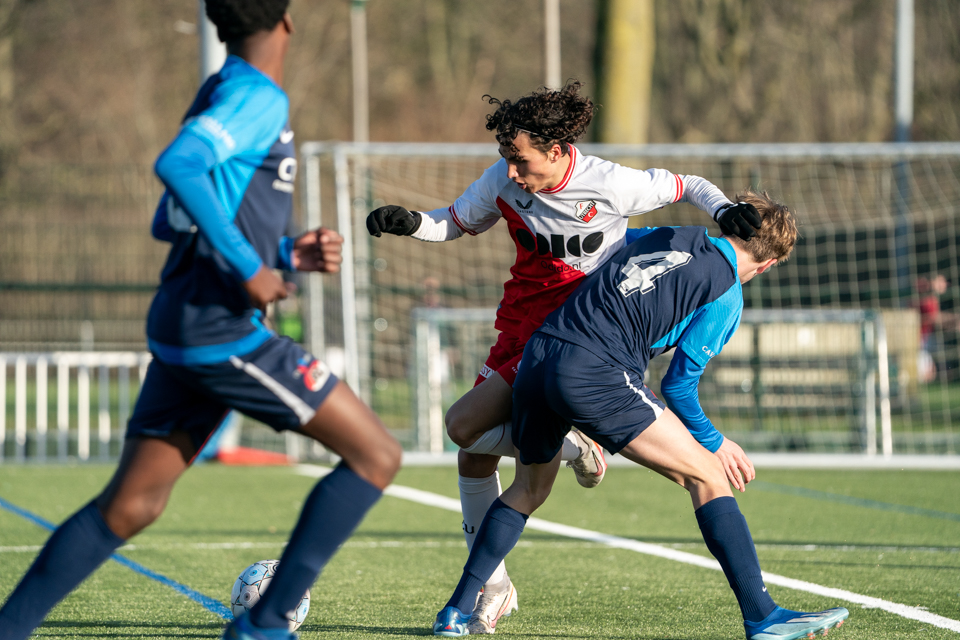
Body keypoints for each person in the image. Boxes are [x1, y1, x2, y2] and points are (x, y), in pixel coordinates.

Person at [0, 3, 401, 640]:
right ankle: (265, 624)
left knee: (131, 505)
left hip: (184, 319)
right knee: (375, 455)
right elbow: (178, 166)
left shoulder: (217, 91)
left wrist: (281, 252)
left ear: (217, 26)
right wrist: (249, 266)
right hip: (220, 328)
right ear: (287, 22)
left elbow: (172, 219)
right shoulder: (256, 96)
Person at [366, 81, 762, 633]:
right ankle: (502, 574)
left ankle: (550, 479)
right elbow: (455, 222)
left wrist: (724, 208)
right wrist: (412, 223)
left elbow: (688, 183)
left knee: (463, 427)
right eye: (506, 158)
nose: (510, 171)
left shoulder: (608, 183)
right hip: (519, 322)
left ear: (555, 152)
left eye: (519, 158)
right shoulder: (501, 182)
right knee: (472, 453)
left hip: (576, 329)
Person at [432, 190, 850, 640]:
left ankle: (455, 611)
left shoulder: (669, 233)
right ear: (767, 265)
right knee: (708, 475)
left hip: (540, 353)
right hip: (598, 370)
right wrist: (715, 442)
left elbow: (603, 244)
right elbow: (678, 387)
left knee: (528, 488)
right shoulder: (727, 292)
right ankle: (762, 615)